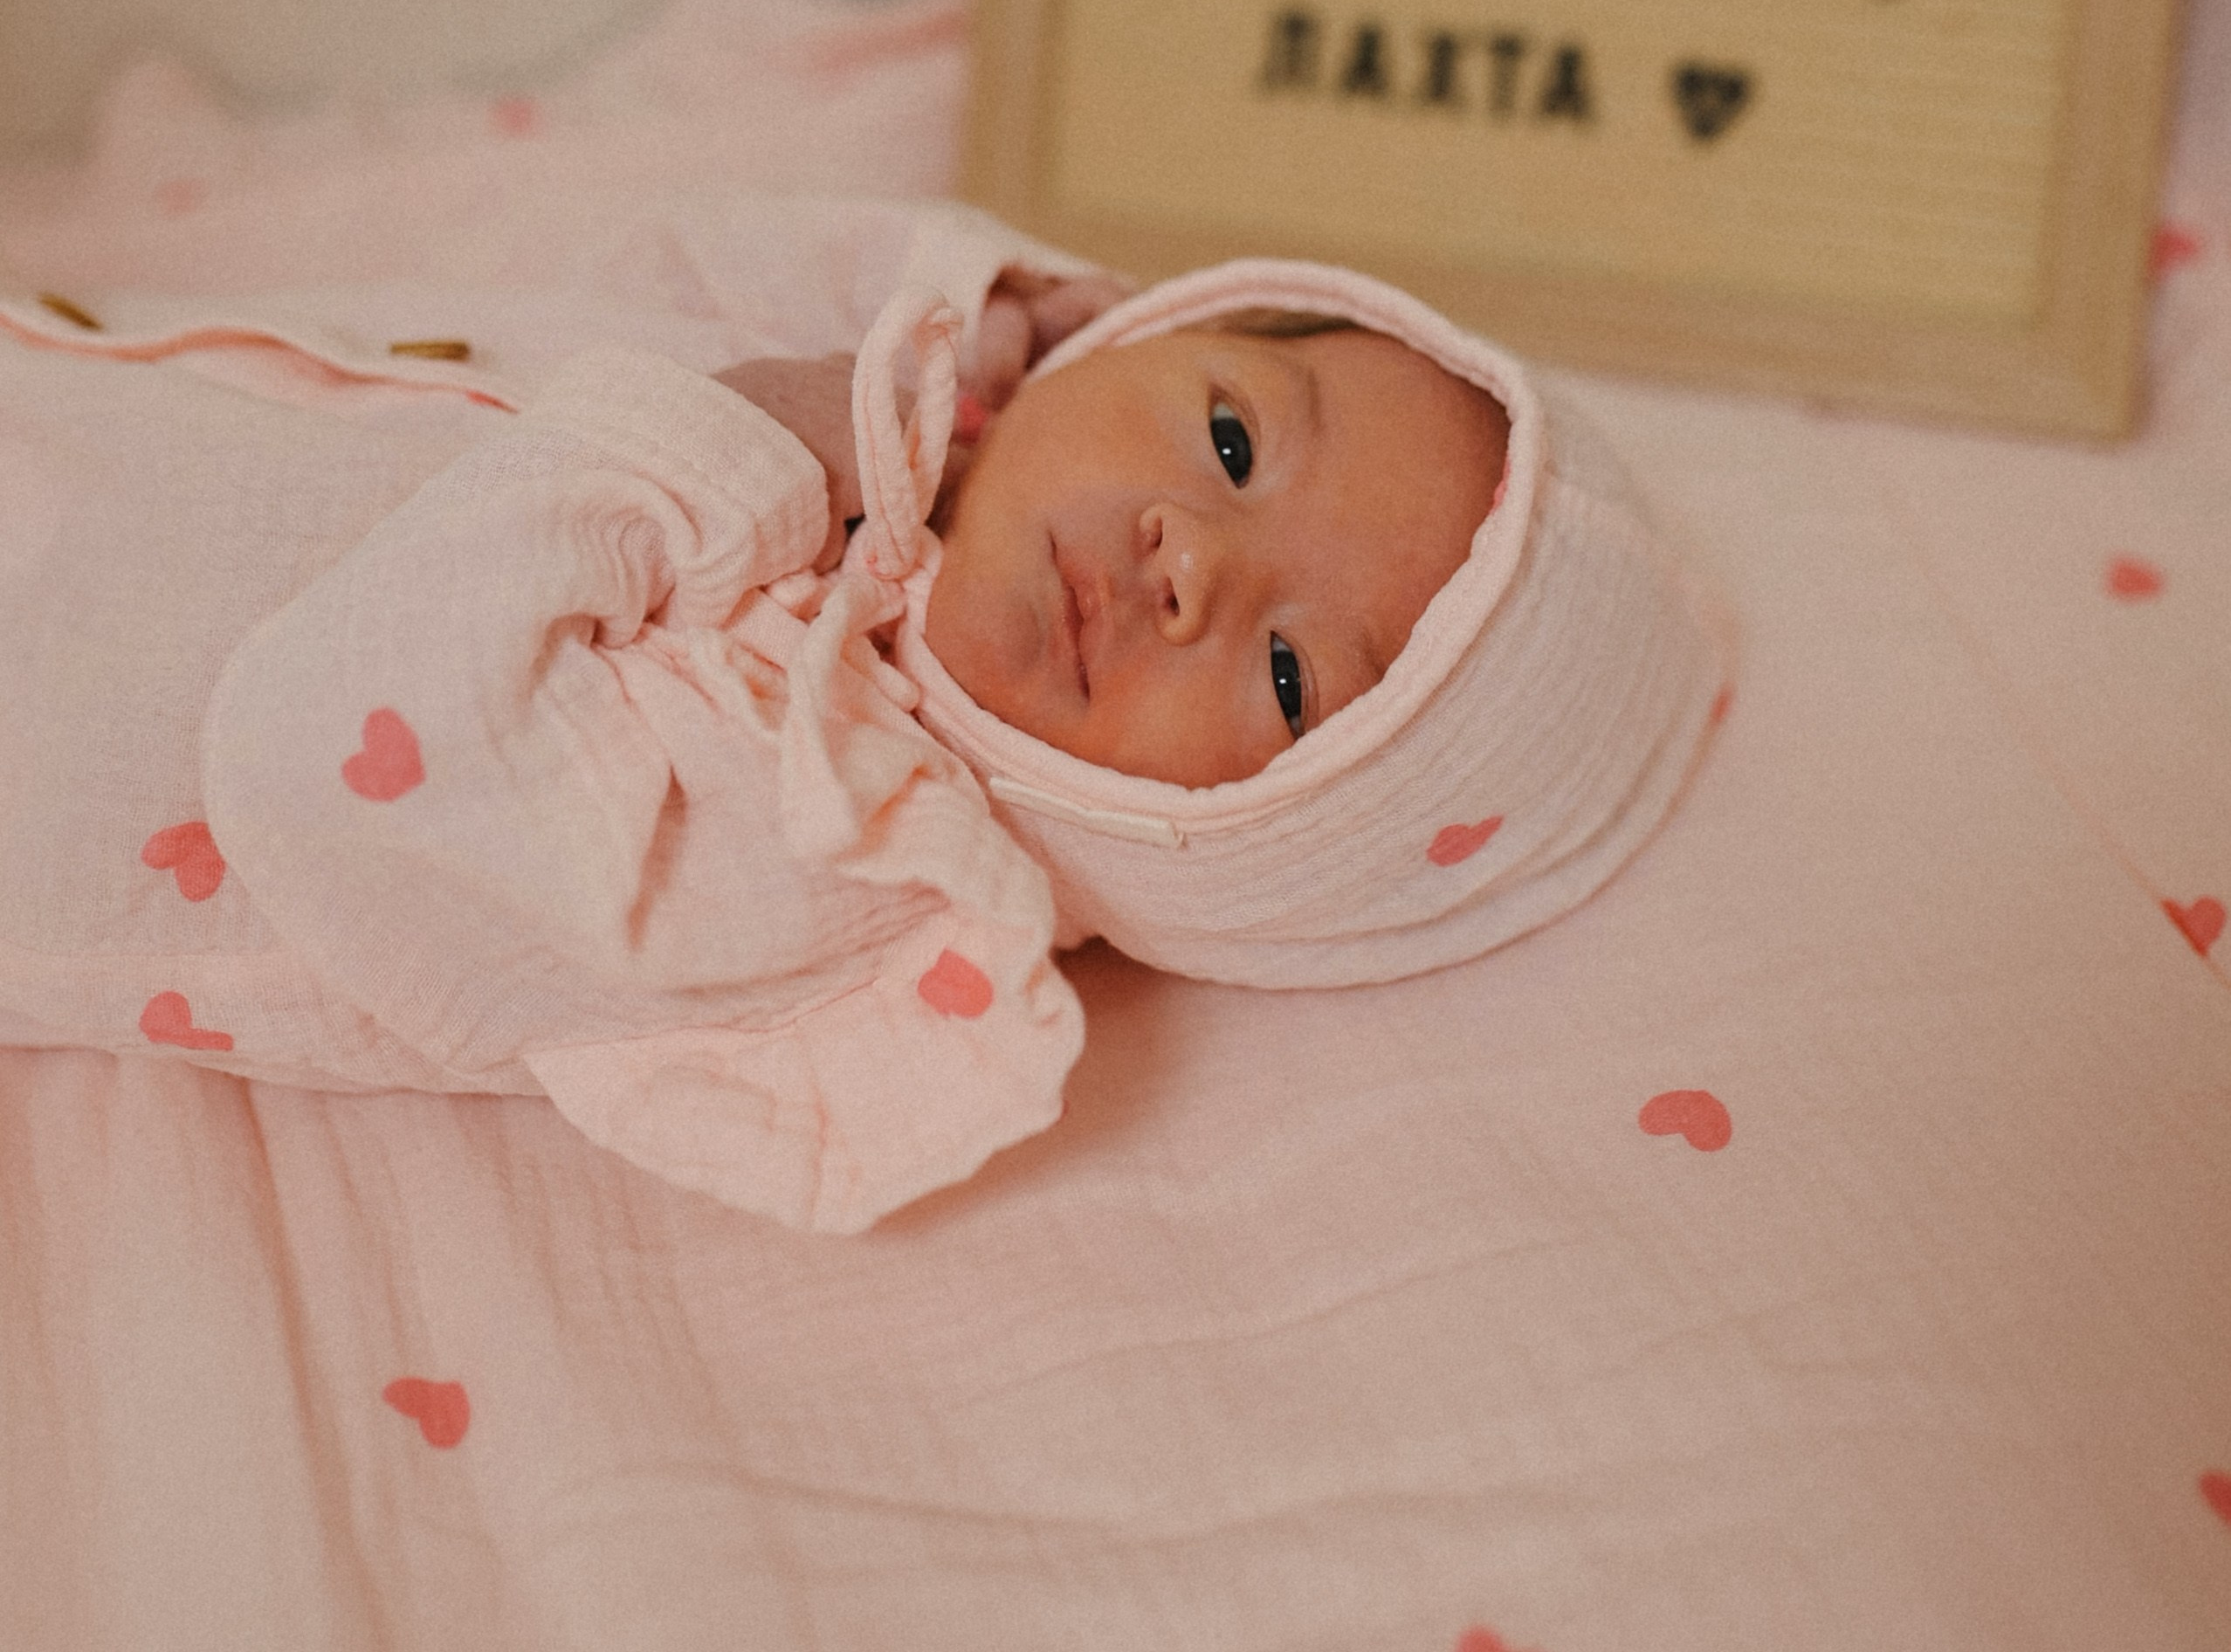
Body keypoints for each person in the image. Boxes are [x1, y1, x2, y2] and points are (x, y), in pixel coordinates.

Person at [0, 196, 1723, 1229]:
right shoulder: (907, 416)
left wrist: (743, 445)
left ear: (1241, 862)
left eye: (1289, 675)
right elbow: (650, 247)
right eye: (1228, 435)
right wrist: (986, 327)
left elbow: (322, 760)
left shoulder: (838, 851)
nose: (1188, 555)